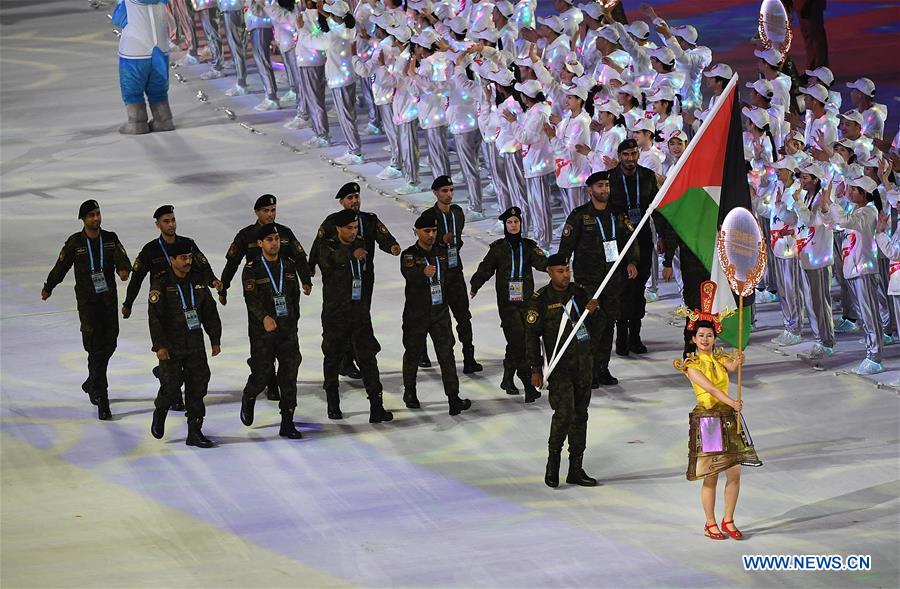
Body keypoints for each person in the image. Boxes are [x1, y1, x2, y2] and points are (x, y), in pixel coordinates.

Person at [674, 280, 762, 540]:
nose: (705, 339)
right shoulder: (690, 365)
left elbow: (732, 368)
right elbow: (711, 390)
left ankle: (729, 520)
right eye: (701, 335)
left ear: (714, 337)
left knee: (734, 472)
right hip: (710, 420)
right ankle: (710, 522)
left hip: (728, 418)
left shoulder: (718, 357)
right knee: (711, 475)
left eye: (709, 335)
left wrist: (738, 357)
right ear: (693, 338)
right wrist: (732, 402)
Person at [123, 205, 222, 410]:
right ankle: (171, 388)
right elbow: (137, 278)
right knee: (171, 358)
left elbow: (202, 265)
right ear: (157, 224)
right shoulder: (150, 250)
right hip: (165, 309)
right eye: (166, 221)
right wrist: (128, 303)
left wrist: (213, 281)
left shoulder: (187, 244)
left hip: (188, 306)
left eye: (173, 220)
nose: (171, 224)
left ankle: (170, 380)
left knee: (190, 364)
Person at [42, 200, 131, 420]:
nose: (96, 218)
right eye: (91, 215)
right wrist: (48, 286)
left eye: (98, 213)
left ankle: (92, 381)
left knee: (110, 343)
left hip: (108, 300)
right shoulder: (75, 243)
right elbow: (60, 267)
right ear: (83, 219)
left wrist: (123, 270)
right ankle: (102, 396)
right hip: (88, 303)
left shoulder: (110, 239)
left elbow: (123, 259)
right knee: (95, 346)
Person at [220, 194, 313, 400]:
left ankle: (279, 383)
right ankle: (268, 382)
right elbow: (233, 262)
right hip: (258, 297)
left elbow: (298, 257)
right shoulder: (246, 235)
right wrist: (223, 286)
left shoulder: (284, 233)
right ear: (257, 212)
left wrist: (306, 279)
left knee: (287, 346)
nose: (270, 214)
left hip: (284, 294)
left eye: (273, 210)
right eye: (266, 211)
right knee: (262, 344)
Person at [308, 181, 401, 378]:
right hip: (339, 282)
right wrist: (310, 267)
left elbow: (384, 236)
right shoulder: (333, 222)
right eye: (350, 198)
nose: (354, 201)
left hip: (364, 278)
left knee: (360, 316)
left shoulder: (369, 220)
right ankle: (345, 361)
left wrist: (392, 246)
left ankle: (358, 356)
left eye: (356, 197)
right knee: (341, 320)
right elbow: (319, 246)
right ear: (341, 202)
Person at [557, 170, 640, 387]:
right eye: (600, 186)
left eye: (607, 185)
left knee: (608, 325)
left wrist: (632, 261)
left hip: (613, 279)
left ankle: (602, 368)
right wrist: (562, 275)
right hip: (588, 282)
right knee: (590, 326)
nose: (604, 190)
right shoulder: (579, 216)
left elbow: (630, 239)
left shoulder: (617, 214)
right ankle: (588, 371)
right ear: (590, 190)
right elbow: (565, 249)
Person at [525, 253, 599, 488]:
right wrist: (535, 368)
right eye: (560, 270)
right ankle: (553, 463)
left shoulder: (580, 292)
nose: (565, 274)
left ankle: (576, 468)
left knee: (581, 415)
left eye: (567, 269)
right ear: (549, 272)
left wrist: (595, 311)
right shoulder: (540, 300)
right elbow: (531, 336)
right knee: (564, 414)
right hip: (559, 367)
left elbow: (601, 325)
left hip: (583, 365)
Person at [317, 209, 394, 423]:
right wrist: (351, 254)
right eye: (349, 228)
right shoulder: (328, 246)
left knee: (369, 359)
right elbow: (328, 261)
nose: (354, 232)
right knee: (332, 359)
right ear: (339, 229)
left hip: (359, 313)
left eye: (355, 228)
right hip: (336, 314)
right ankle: (333, 404)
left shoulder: (359, 243)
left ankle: (376, 407)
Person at [148, 239, 222, 447]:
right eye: (183, 258)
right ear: (172, 260)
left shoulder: (198, 280)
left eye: (189, 257)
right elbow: (155, 317)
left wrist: (215, 339)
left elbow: (209, 311)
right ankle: (160, 410)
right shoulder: (161, 282)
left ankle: (194, 431)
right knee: (171, 387)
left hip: (195, 343)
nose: (188, 262)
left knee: (198, 387)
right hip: (171, 346)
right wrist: (159, 346)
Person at [470, 207, 548, 402]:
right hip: (508, 305)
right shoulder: (498, 248)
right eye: (510, 223)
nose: (513, 225)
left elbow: (542, 263)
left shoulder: (528, 247)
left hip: (526, 302)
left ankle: (507, 378)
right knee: (519, 342)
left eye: (516, 222)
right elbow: (485, 268)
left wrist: (555, 267)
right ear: (505, 226)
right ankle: (529, 386)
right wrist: (475, 285)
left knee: (519, 342)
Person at [400, 211, 473, 416]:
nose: (431, 235)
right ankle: (410, 392)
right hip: (417, 314)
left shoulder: (441, 252)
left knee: (446, 355)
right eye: (426, 231)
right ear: (417, 232)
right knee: (413, 354)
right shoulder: (410, 255)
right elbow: (408, 273)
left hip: (440, 312)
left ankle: (453, 397)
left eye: (433, 230)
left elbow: (450, 278)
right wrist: (422, 273)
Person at [239, 223, 306, 439]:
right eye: (269, 240)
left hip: (287, 331)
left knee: (289, 375)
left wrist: (294, 319)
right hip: (262, 333)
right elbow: (251, 299)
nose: (274, 243)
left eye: (276, 239)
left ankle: (287, 421)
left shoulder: (288, 265)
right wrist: (264, 318)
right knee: (262, 374)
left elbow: (293, 294)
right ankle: (249, 396)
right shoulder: (252, 268)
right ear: (260, 243)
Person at [608, 138, 660, 356]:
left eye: (633, 154)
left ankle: (635, 336)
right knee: (621, 288)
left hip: (643, 237)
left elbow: (656, 208)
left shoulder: (647, 177)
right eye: (625, 155)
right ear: (619, 156)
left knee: (638, 288)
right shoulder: (610, 179)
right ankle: (621, 337)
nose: (630, 159)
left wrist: (663, 236)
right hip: (619, 239)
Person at [427, 176, 483, 373]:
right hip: (438, 275)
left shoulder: (458, 213)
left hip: (455, 272)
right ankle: (438, 358)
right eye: (444, 190)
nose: (449, 194)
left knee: (463, 316)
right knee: (438, 318)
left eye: (451, 190)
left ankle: (469, 358)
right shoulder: (429, 216)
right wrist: (441, 242)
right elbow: (424, 246)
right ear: (435, 192)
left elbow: (458, 239)